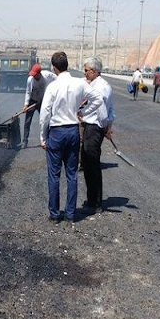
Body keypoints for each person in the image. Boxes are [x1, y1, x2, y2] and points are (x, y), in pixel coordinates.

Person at [40, 51, 103, 224]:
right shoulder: (79, 84)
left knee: (54, 175)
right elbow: (97, 99)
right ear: (67, 65)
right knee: (72, 174)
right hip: (73, 132)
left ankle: (54, 214)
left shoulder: (52, 86)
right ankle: (70, 214)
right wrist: (81, 112)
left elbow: (45, 113)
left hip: (56, 132)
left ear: (54, 68)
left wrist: (42, 136)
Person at [79, 57, 114, 214]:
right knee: (87, 163)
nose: (84, 73)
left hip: (94, 128)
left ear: (94, 71)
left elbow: (103, 111)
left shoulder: (100, 88)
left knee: (92, 164)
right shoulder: (96, 84)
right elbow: (111, 110)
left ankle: (96, 202)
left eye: (86, 70)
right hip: (92, 127)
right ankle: (92, 198)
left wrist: (104, 127)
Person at [21, 63, 55, 149]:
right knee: (27, 122)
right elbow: (28, 92)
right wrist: (26, 105)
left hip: (42, 102)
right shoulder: (30, 80)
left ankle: (48, 139)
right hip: (32, 101)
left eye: (35, 75)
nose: (33, 76)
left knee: (45, 120)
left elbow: (57, 78)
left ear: (39, 73)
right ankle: (25, 141)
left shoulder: (47, 75)